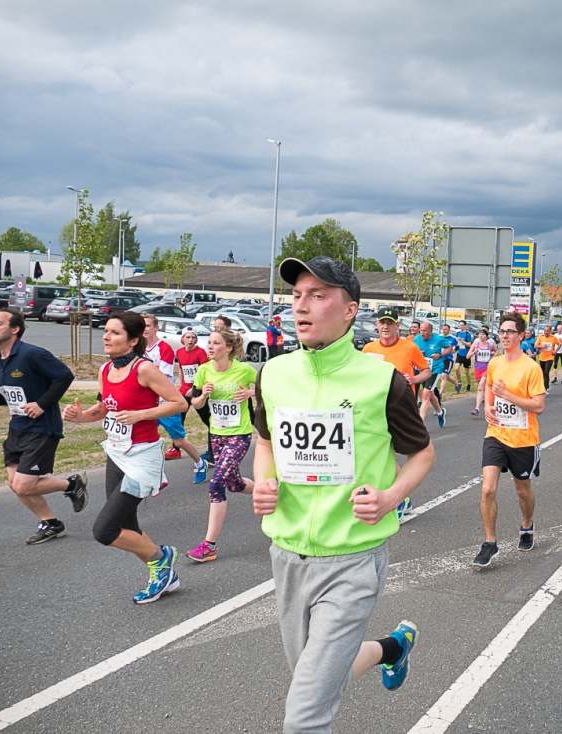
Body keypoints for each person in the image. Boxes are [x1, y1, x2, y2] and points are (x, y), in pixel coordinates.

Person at [252, 256, 435, 732]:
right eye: (296, 296)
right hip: (287, 556)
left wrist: (391, 497)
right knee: (313, 681)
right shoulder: (273, 374)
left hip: (353, 560)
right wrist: (265, 482)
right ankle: (391, 648)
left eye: (318, 295)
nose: (301, 306)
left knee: (305, 716)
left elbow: (422, 455)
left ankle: (385, 649)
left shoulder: (382, 382)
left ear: (350, 309)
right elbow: (266, 441)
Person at [62, 311, 187, 603]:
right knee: (127, 526)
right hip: (117, 455)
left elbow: (178, 402)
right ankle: (163, 577)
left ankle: (162, 558)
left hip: (142, 460)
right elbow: (105, 408)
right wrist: (80, 417)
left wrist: (142, 414)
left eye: (115, 333)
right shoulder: (105, 370)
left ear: (132, 341)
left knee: (105, 530)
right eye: (106, 331)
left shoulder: (144, 369)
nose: (107, 336)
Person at [0, 308, 88, 544]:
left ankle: (72, 484)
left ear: (15, 329)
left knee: (23, 485)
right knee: (16, 485)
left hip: (42, 428)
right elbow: (3, 398)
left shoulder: (33, 354)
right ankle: (52, 523)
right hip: (17, 428)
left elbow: (64, 376)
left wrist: (42, 404)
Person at [474, 311, 544, 567]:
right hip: (496, 435)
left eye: (510, 331)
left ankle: (527, 524)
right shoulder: (495, 362)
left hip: (524, 439)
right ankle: (490, 543)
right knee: (488, 488)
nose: (504, 335)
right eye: (501, 331)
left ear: (521, 335)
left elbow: (538, 406)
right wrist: (489, 407)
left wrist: (509, 396)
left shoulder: (531, 368)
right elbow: (491, 387)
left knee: (522, 490)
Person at [185, 329, 258, 563]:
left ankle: (209, 546)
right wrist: (202, 397)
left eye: (216, 343)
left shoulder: (244, 370)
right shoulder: (203, 370)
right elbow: (194, 403)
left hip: (240, 434)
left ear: (228, 348)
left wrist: (250, 392)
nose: (210, 346)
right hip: (217, 434)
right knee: (234, 484)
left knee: (216, 484)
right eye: (209, 342)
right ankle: (273, 493)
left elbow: (266, 389)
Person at [362, 306, 432, 519]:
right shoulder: (368, 349)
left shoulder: (409, 348)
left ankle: (401, 496)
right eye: (382, 322)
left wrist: (414, 379)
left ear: (397, 326)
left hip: (403, 407)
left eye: (390, 323)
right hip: (377, 406)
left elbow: (426, 370)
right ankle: (401, 500)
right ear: (377, 325)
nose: (385, 326)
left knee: (413, 453)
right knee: (386, 453)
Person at [141, 314, 207, 483]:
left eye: (148, 325)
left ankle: (200, 464)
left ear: (156, 328)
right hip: (147, 402)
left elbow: (162, 377)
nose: (145, 329)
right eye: (142, 326)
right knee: (142, 437)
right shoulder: (139, 348)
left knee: (179, 440)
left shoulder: (164, 349)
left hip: (165, 402)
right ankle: (149, 472)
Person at [175, 328, 213, 464]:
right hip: (184, 389)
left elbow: (205, 372)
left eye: (193, 337)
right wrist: (181, 386)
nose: (190, 340)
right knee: (178, 419)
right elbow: (180, 369)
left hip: (197, 389)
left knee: (207, 420)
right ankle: (175, 448)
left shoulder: (200, 352)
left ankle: (213, 450)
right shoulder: (179, 352)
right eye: (188, 337)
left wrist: (196, 388)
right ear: (182, 339)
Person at [413, 321, 451, 427]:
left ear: (430, 331)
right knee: (431, 395)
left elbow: (450, 348)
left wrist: (440, 354)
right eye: (421, 330)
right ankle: (440, 412)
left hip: (434, 370)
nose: (422, 333)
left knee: (425, 395)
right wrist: (418, 354)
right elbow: (413, 352)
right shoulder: (417, 339)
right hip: (421, 370)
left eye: (425, 331)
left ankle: (420, 425)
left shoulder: (438, 339)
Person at [470, 329, 498, 416]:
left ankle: (477, 408)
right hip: (477, 369)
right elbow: (468, 355)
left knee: (480, 387)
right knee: (484, 389)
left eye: (482, 334)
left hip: (487, 368)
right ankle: (489, 404)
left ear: (486, 336)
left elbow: (496, 351)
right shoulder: (475, 345)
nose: (481, 336)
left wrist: (493, 356)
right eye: (479, 335)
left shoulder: (490, 345)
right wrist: (474, 352)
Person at [534, 324, 560, 392]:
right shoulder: (540, 337)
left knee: (546, 372)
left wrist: (555, 350)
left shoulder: (553, 338)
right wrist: (541, 347)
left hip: (550, 357)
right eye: (545, 331)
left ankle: (546, 389)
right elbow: (535, 346)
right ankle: (546, 386)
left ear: (550, 331)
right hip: (542, 358)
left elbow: (559, 344)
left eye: (547, 331)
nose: (546, 332)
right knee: (542, 373)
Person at [438, 323, 462, 393]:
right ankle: (457, 385)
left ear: (449, 330)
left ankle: (440, 394)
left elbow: (458, 345)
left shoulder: (453, 338)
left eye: (445, 329)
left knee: (443, 376)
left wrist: (454, 350)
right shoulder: (439, 337)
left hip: (448, 359)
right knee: (446, 376)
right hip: (440, 358)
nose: (444, 331)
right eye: (443, 329)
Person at [454, 320, 475, 392]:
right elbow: (457, 344)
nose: (461, 327)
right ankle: (460, 382)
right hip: (459, 353)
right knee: (456, 368)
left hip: (466, 355)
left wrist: (462, 341)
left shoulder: (467, 334)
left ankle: (469, 384)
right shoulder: (458, 333)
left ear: (465, 326)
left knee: (466, 372)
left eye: (462, 325)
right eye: (460, 325)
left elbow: (469, 344)